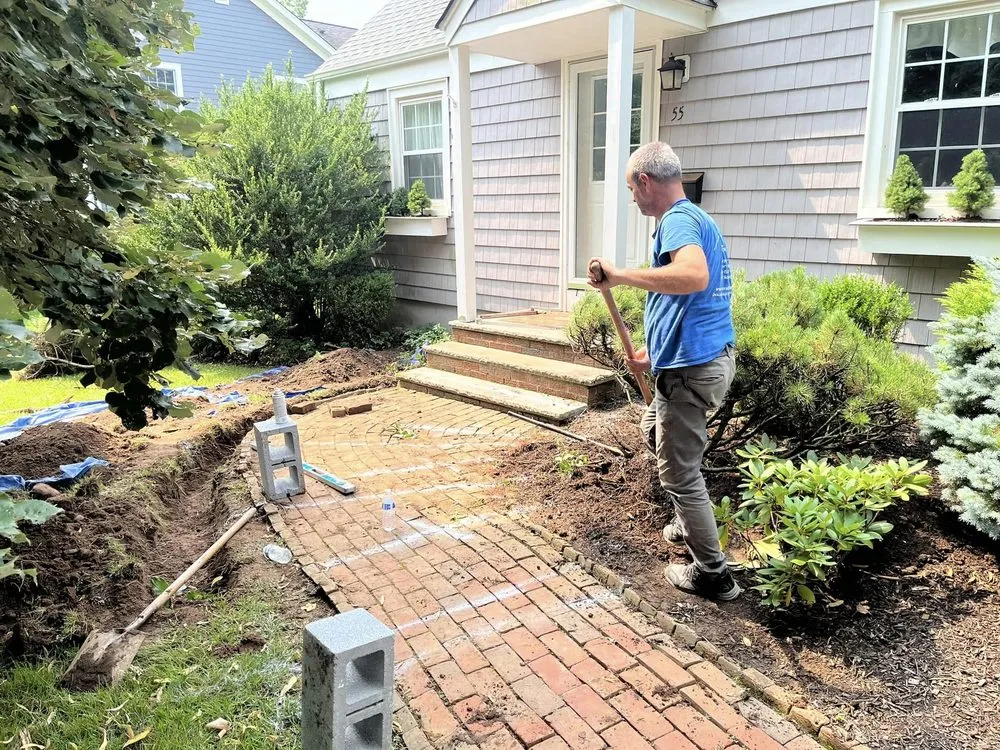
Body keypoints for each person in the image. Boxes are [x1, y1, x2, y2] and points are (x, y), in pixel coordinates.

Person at [588, 141, 739, 601]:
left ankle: (713, 574)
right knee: (653, 426)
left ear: (646, 182)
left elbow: (693, 278)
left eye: (632, 188)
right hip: (691, 361)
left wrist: (620, 276)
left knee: (679, 474)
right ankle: (687, 516)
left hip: (692, 373)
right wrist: (654, 356)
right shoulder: (692, 219)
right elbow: (692, 304)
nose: (633, 198)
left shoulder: (677, 221)